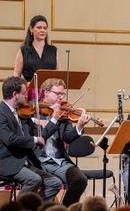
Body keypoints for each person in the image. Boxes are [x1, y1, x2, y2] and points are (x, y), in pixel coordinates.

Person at [0, 76, 62, 201]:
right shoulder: (1, 113)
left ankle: (33, 207)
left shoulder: (22, 113)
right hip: (7, 163)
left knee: (55, 183)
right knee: (34, 179)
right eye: (24, 93)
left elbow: (41, 137)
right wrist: (34, 139)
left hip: (24, 162)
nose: (27, 97)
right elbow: (10, 139)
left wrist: (54, 119)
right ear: (15, 94)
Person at [37, 78, 90, 207]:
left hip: (58, 161)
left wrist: (79, 126)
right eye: (57, 94)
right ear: (46, 93)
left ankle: (65, 209)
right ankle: (36, 207)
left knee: (80, 180)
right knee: (52, 184)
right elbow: (34, 138)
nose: (61, 97)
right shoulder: (34, 112)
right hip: (38, 161)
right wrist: (51, 119)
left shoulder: (63, 112)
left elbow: (67, 137)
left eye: (63, 94)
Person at [14, 15, 61, 100]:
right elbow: (17, 75)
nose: (42, 30)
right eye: (39, 27)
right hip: (30, 93)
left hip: (50, 94)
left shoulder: (53, 50)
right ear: (31, 29)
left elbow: (59, 73)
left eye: (45, 28)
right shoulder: (23, 50)